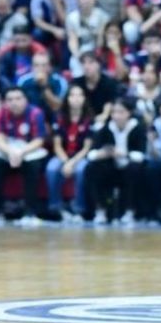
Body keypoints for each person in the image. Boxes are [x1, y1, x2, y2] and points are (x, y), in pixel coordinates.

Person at [0, 87, 48, 223]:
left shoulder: (35, 113)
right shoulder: (1, 113)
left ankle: (30, 213)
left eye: (18, 99)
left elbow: (39, 140)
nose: (14, 103)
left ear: (25, 100)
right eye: (10, 99)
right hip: (7, 151)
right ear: (5, 102)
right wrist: (10, 152)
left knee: (33, 166)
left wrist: (21, 152)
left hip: (29, 151)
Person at [85, 98, 145, 225]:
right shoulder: (106, 128)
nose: (116, 116)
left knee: (135, 169)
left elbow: (141, 155)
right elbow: (91, 154)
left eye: (121, 112)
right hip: (110, 167)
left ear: (129, 113)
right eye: (114, 112)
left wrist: (124, 153)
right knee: (93, 167)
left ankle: (130, 211)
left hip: (129, 167)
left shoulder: (137, 128)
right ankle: (100, 210)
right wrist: (102, 154)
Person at [46, 85, 93, 223]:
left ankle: (79, 209)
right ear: (67, 98)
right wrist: (66, 161)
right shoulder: (59, 118)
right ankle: (55, 207)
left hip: (81, 156)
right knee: (52, 168)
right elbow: (57, 145)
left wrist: (72, 163)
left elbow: (87, 148)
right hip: (63, 155)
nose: (76, 98)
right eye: (72, 95)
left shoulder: (90, 119)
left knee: (80, 170)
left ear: (84, 98)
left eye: (79, 95)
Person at [17, 52, 67, 123]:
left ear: (50, 67)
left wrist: (44, 86)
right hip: (29, 120)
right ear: (32, 67)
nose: (40, 68)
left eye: (44, 65)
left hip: (53, 119)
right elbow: (19, 106)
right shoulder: (23, 81)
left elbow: (57, 107)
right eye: (36, 65)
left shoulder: (60, 81)